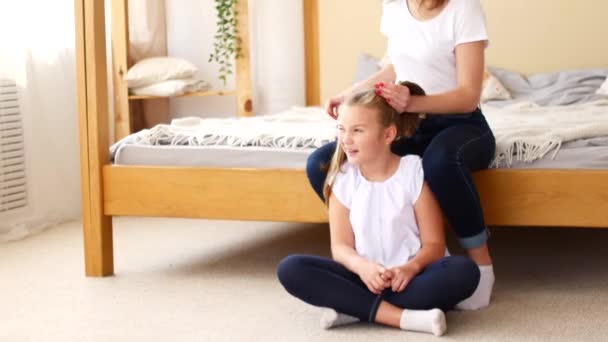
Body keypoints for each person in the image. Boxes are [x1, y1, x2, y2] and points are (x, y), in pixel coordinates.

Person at [306, 0, 496, 311]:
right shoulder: (394, 7)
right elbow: (397, 65)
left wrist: (411, 103)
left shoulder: (463, 9)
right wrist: (351, 94)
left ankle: (482, 265)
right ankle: (368, 261)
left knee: (440, 162)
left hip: (460, 123)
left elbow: (467, 96)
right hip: (408, 123)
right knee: (323, 164)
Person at [277, 84, 480, 336]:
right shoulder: (342, 179)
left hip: (410, 278)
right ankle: (401, 317)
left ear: (388, 135)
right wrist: (363, 268)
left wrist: (410, 268)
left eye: (357, 131)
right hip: (363, 277)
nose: (345, 139)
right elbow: (340, 248)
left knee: (464, 272)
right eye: (341, 129)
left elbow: (434, 245)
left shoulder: (413, 172)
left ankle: (352, 307)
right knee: (291, 268)